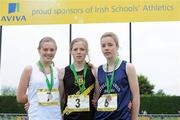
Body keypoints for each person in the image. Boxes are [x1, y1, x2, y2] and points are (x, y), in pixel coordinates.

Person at [95, 32, 140, 120]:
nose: (106, 48)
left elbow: (136, 96)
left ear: (117, 46)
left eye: (110, 45)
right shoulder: (98, 70)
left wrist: (134, 118)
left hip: (121, 117)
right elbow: (97, 97)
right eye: (103, 46)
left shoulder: (127, 67)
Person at [16, 37, 63, 120]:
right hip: (36, 116)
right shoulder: (29, 69)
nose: (48, 52)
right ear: (39, 50)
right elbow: (20, 97)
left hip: (56, 117)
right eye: (45, 49)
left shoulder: (59, 71)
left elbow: (61, 96)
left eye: (52, 50)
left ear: (56, 50)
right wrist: (35, 98)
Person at [60, 37, 99, 120]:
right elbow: (62, 97)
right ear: (70, 51)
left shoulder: (94, 71)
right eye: (75, 49)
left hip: (89, 117)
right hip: (69, 117)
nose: (78, 52)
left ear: (86, 51)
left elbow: (97, 96)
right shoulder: (63, 72)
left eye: (82, 49)